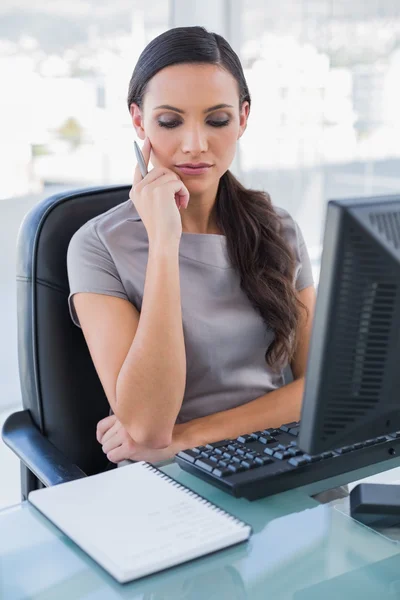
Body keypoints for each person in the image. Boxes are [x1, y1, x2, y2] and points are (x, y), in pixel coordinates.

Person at [67, 25, 316, 467]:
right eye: (169, 121)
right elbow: (146, 426)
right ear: (139, 121)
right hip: (174, 490)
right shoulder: (98, 246)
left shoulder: (278, 229)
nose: (196, 144)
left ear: (243, 118)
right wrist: (164, 241)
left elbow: (320, 385)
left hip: (282, 460)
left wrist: (186, 438)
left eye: (217, 120)